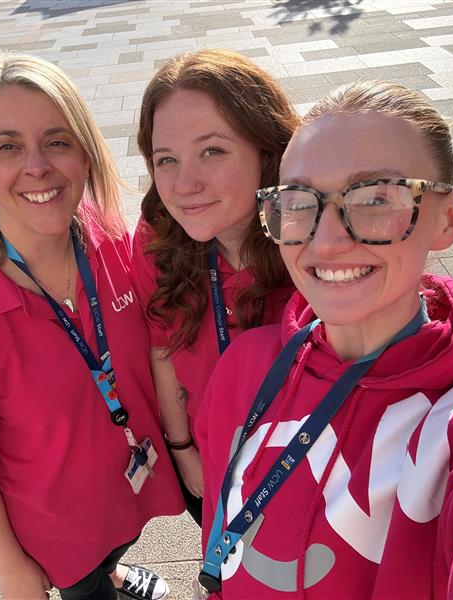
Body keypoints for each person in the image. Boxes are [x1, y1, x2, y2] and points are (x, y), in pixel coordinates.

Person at [195, 81, 453, 598]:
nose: (325, 240)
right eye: (299, 201)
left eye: (375, 198)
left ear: (448, 218)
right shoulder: (246, 366)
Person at [0, 51, 184, 600]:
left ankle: (115, 569)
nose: (38, 166)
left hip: (127, 486)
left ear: (84, 153)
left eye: (57, 141)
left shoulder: (104, 236)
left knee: (112, 553)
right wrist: (11, 568)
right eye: (7, 147)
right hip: (54, 535)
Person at [131, 49, 300, 526]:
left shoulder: (312, 247)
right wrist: (183, 449)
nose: (185, 184)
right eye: (167, 159)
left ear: (267, 153)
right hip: (208, 460)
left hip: (304, 459)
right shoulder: (158, 238)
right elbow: (163, 349)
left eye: (212, 151)